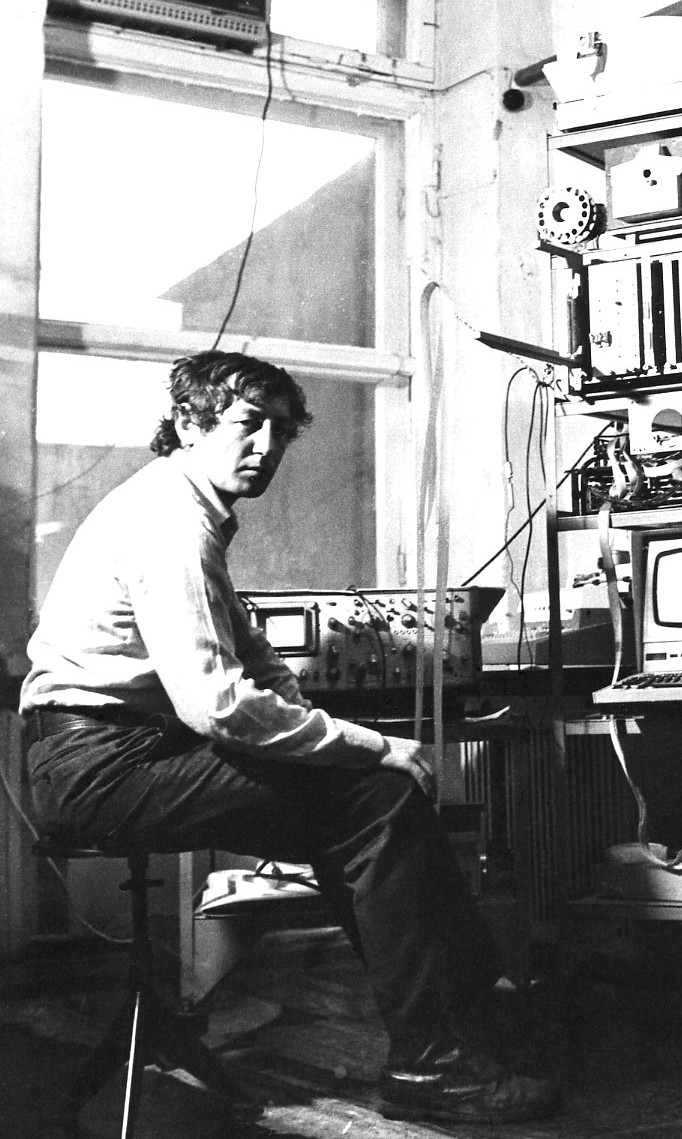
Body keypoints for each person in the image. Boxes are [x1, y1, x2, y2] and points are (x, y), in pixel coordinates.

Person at [21, 350, 559, 1125]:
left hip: (121, 751)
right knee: (376, 802)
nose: (267, 447)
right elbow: (217, 705)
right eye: (249, 425)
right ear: (188, 424)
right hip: (99, 766)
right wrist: (376, 747)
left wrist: (342, 737)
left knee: (368, 804)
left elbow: (258, 663)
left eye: (280, 431)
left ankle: (465, 1025)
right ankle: (438, 1058)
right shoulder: (170, 520)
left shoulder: (187, 508)